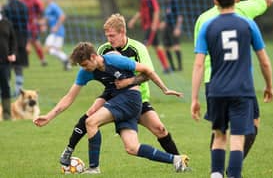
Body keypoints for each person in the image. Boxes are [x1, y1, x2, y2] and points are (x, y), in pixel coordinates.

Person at [33, 41, 189, 173]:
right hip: (119, 101)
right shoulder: (86, 72)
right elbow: (69, 97)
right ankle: (176, 159)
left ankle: (94, 168)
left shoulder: (114, 60)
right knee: (132, 148)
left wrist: (165, 89)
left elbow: (147, 70)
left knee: (91, 122)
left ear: (93, 57)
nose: (85, 68)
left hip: (131, 98)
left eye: (86, 64)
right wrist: (49, 116)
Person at [59, 13, 186, 173]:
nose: (109, 40)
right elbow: (103, 77)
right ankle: (74, 153)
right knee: (91, 117)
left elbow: (148, 73)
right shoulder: (102, 50)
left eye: (112, 36)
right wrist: (102, 98)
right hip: (115, 98)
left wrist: (129, 82)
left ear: (122, 32)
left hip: (138, 97)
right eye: (107, 36)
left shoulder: (138, 48)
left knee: (159, 129)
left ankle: (179, 162)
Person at [191, 0, 273, 177]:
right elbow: (265, 61)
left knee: (219, 135)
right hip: (241, 87)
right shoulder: (247, 22)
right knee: (237, 138)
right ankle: (233, 174)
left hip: (215, 86)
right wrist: (269, 85)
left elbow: (198, 63)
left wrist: (194, 97)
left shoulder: (205, 23)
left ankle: (216, 174)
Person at [128, 0, 171, 73]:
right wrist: (133, 20)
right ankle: (166, 67)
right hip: (147, 25)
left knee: (144, 47)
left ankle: (140, 67)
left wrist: (154, 24)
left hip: (151, 26)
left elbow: (156, 10)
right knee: (156, 46)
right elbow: (141, 10)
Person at [3, 0, 29, 97]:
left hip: (8, 39)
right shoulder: (23, 6)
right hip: (22, 38)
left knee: (7, 65)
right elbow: (27, 23)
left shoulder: (6, 7)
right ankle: (18, 90)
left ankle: (7, 89)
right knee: (19, 65)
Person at [42, 0, 70, 70]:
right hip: (54, 32)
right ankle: (67, 62)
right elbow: (47, 20)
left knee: (48, 49)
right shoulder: (48, 7)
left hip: (58, 32)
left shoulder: (54, 6)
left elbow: (62, 16)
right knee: (54, 50)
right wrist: (42, 25)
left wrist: (56, 27)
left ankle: (66, 60)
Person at [21, 0, 47, 66]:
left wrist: (42, 24)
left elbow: (41, 12)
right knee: (28, 43)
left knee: (35, 43)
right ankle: (25, 61)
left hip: (33, 26)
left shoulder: (35, 0)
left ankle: (42, 60)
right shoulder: (21, 1)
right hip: (24, 26)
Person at [160, 0, 183, 71]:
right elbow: (168, 15)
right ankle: (172, 67)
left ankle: (179, 67)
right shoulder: (168, 1)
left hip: (174, 26)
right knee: (166, 46)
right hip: (168, 27)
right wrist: (164, 23)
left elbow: (180, 16)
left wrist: (178, 28)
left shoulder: (175, 0)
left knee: (176, 46)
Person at [0, 11, 16, 120]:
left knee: (5, 86)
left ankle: (7, 115)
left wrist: (13, 53)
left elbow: (13, 40)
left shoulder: (7, 23)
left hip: (4, 62)